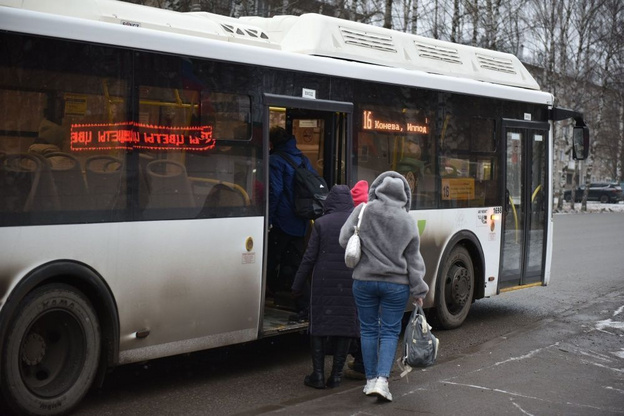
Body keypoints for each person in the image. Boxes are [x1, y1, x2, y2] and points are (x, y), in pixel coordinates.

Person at [339, 171, 428, 402]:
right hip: (396, 285)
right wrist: (419, 291)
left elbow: (343, 240)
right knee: (389, 332)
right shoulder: (407, 220)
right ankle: (382, 381)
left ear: (376, 189)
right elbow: (414, 260)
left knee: (368, 330)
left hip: (364, 281)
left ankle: (369, 381)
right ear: (405, 195)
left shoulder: (363, 211)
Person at [292, 184, 359, 389]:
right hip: (350, 281)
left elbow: (309, 257)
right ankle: (336, 376)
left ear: (329, 201)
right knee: (345, 327)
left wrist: (297, 286)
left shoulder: (321, 223)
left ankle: (318, 375)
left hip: (323, 282)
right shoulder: (358, 224)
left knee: (319, 328)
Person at [267, 126, 314, 319]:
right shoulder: (302, 158)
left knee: (268, 261)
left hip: (282, 221)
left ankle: (269, 295)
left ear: (272, 142)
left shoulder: (275, 160)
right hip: (300, 219)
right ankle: (304, 305)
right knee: (295, 263)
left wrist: (268, 218)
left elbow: (275, 191)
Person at [343, 179, 369, 380]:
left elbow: (344, 242)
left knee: (361, 322)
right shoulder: (380, 218)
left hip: (360, 280)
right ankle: (368, 363)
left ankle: (362, 362)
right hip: (380, 281)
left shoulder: (353, 221)